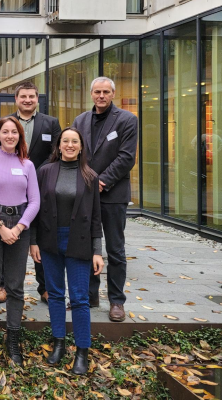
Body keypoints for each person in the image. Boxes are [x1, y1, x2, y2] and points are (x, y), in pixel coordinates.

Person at [29, 127, 104, 375]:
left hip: (79, 242)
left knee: (80, 298)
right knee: (55, 294)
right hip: (50, 240)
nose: (70, 145)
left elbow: (96, 217)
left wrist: (97, 251)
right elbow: (35, 208)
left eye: (75, 142)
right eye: (65, 141)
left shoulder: (90, 176)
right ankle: (59, 344)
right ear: (58, 146)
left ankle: (82, 351)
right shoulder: (45, 172)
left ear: (81, 147)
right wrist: (33, 241)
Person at [72, 77, 138, 322]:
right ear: (91, 94)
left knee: (115, 249)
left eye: (106, 92)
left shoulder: (127, 120)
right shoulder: (80, 121)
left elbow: (126, 157)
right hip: (86, 194)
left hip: (112, 195)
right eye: (97, 91)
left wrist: (101, 181)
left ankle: (117, 301)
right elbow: (74, 152)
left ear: (113, 94)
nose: (101, 96)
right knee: (86, 246)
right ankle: (90, 296)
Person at [0, 116, 39, 366]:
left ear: (20, 136)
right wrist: (0, 226)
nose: (10, 135)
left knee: (15, 285)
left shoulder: (28, 165)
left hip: (19, 225)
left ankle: (13, 339)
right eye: (5, 131)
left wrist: (20, 227)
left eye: (14, 132)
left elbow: (35, 201)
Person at [0, 82, 62, 305]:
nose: (27, 100)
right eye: (23, 96)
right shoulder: (5, 122)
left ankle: (45, 287)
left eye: (31, 96)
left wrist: (34, 172)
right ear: (16, 99)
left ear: (37, 99)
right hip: (10, 188)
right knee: (7, 236)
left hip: (41, 187)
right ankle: (3, 285)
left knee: (40, 238)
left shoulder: (51, 123)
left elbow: (56, 152)